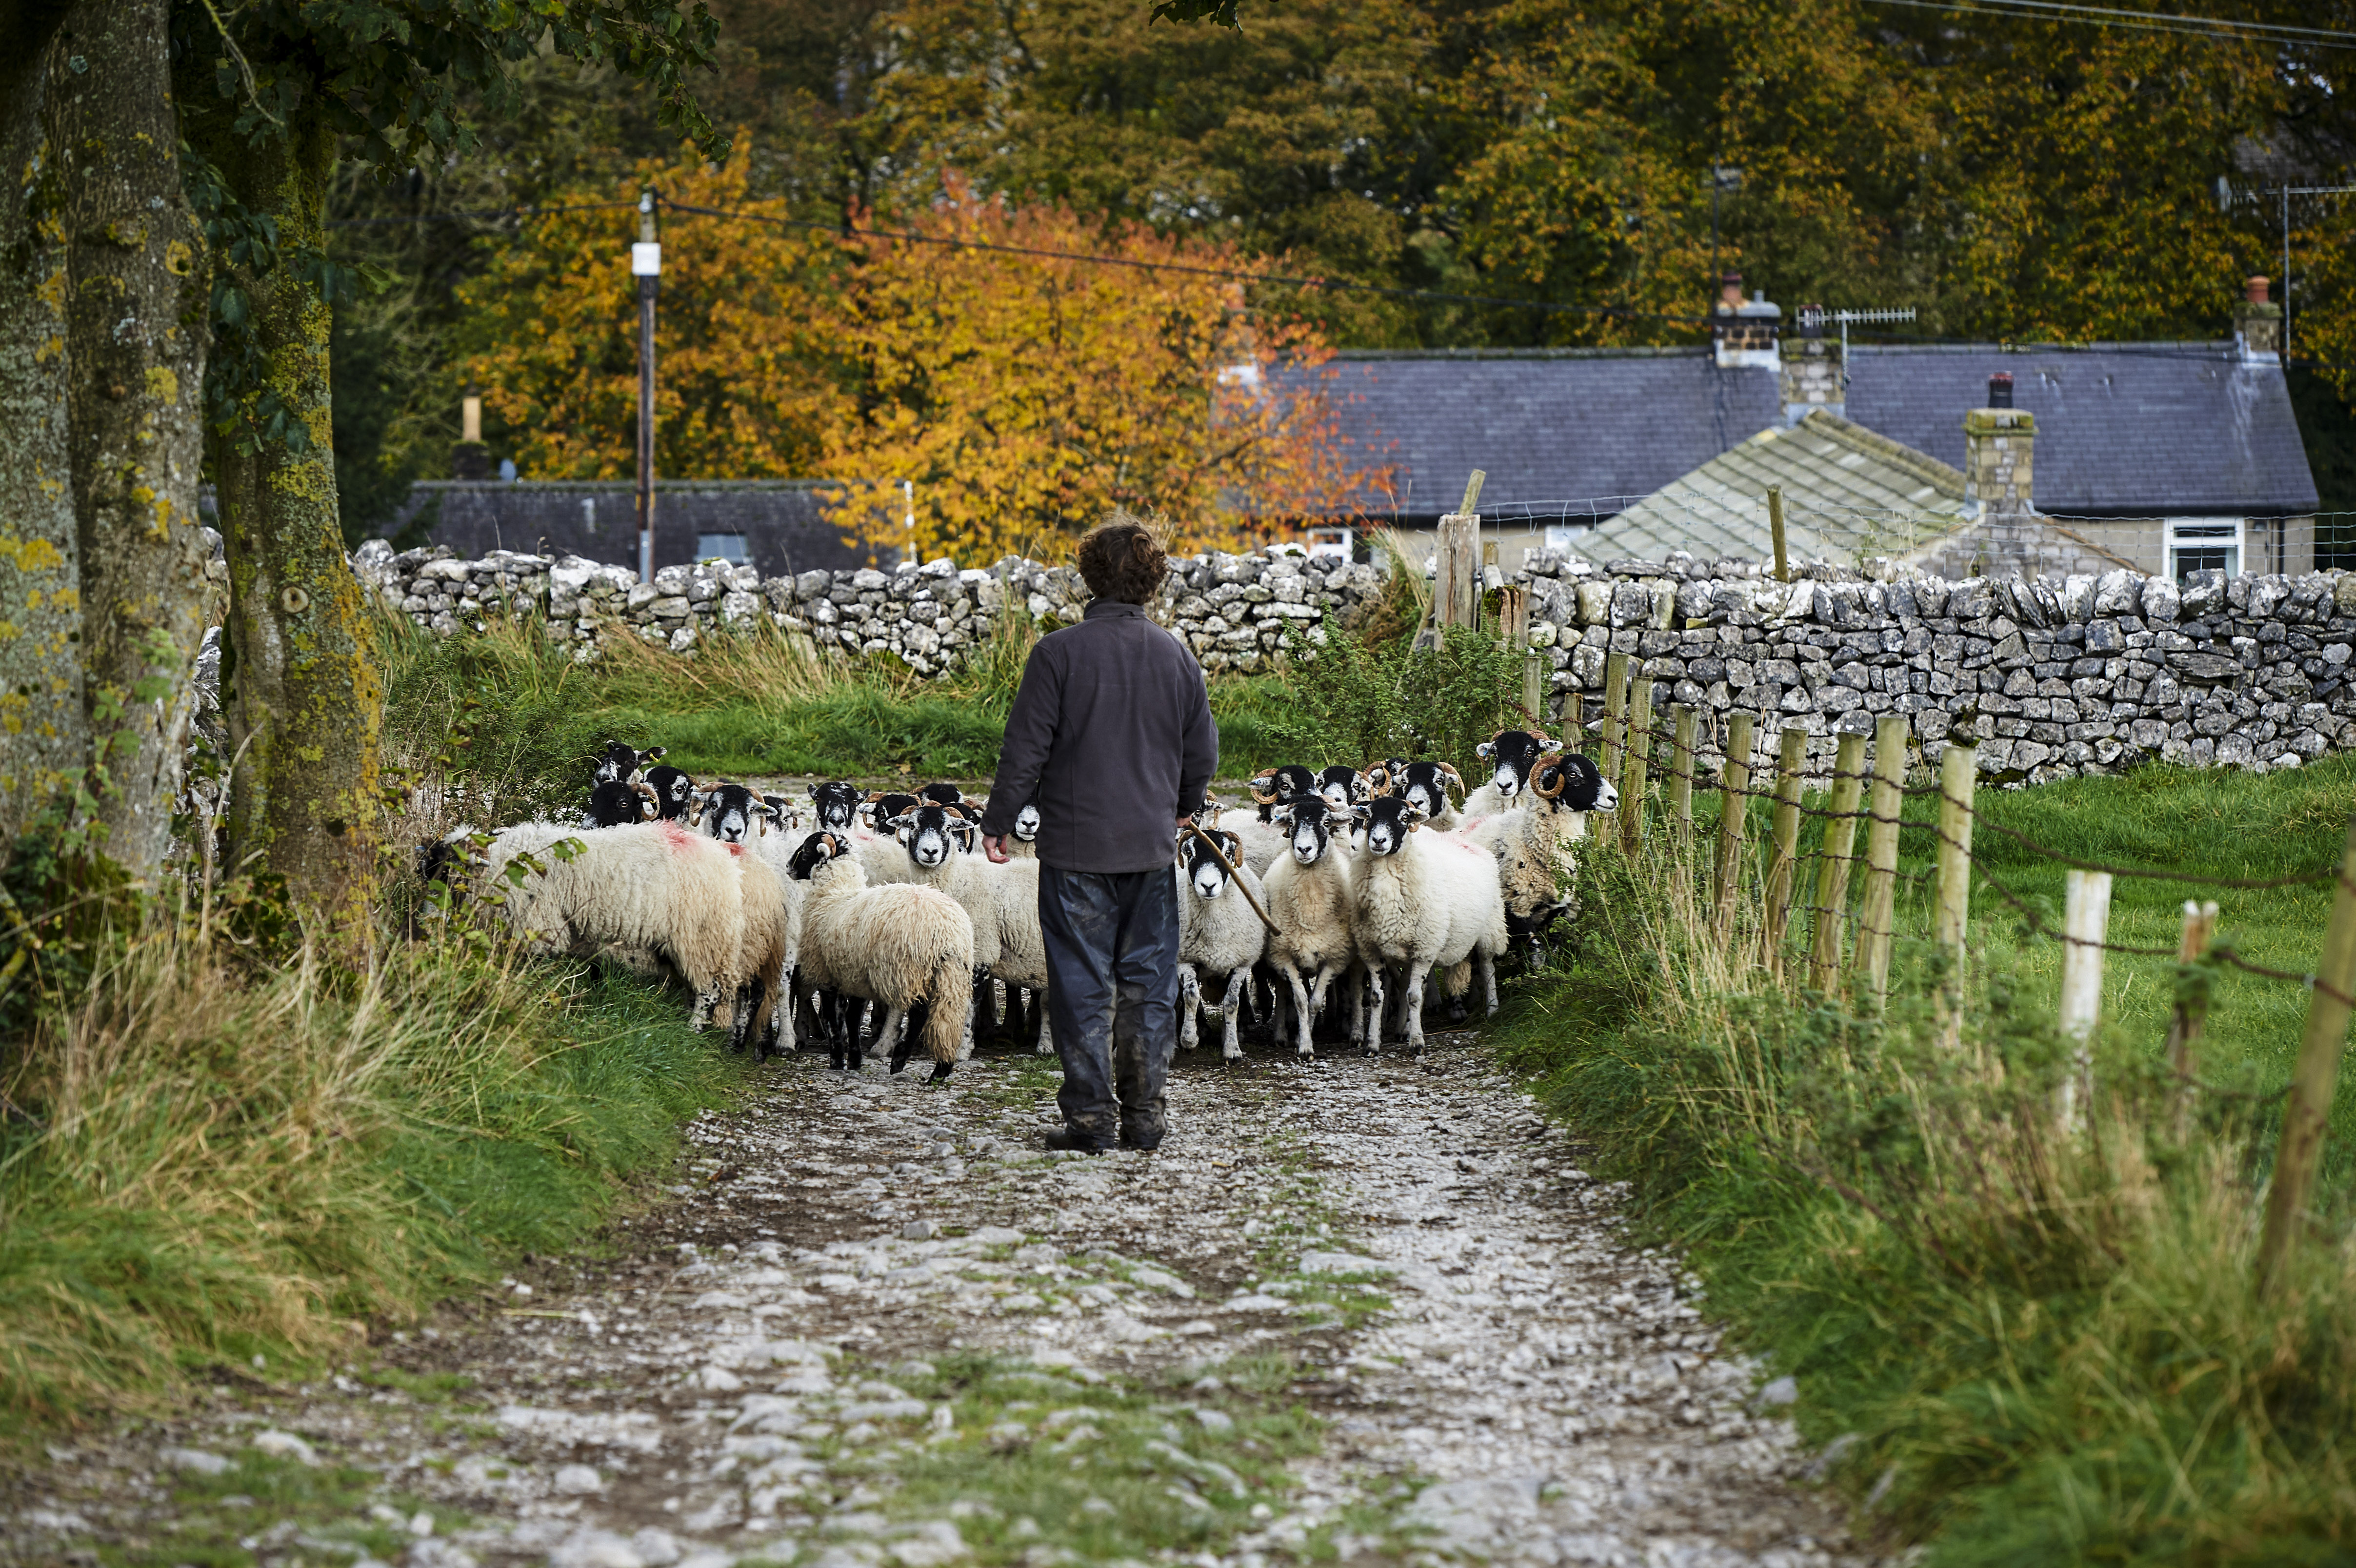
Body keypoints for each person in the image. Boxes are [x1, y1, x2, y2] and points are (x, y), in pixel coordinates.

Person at [978, 513, 1218, 1152]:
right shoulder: (1176, 657)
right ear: (1152, 580)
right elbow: (1202, 752)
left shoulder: (1056, 654)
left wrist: (999, 820)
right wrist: (1183, 807)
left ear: (1088, 576)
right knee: (1148, 986)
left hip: (1075, 854)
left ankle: (1090, 1122)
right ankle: (1145, 1118)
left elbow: (1024, 750)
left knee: (1081, 984)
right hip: (1149, 853)